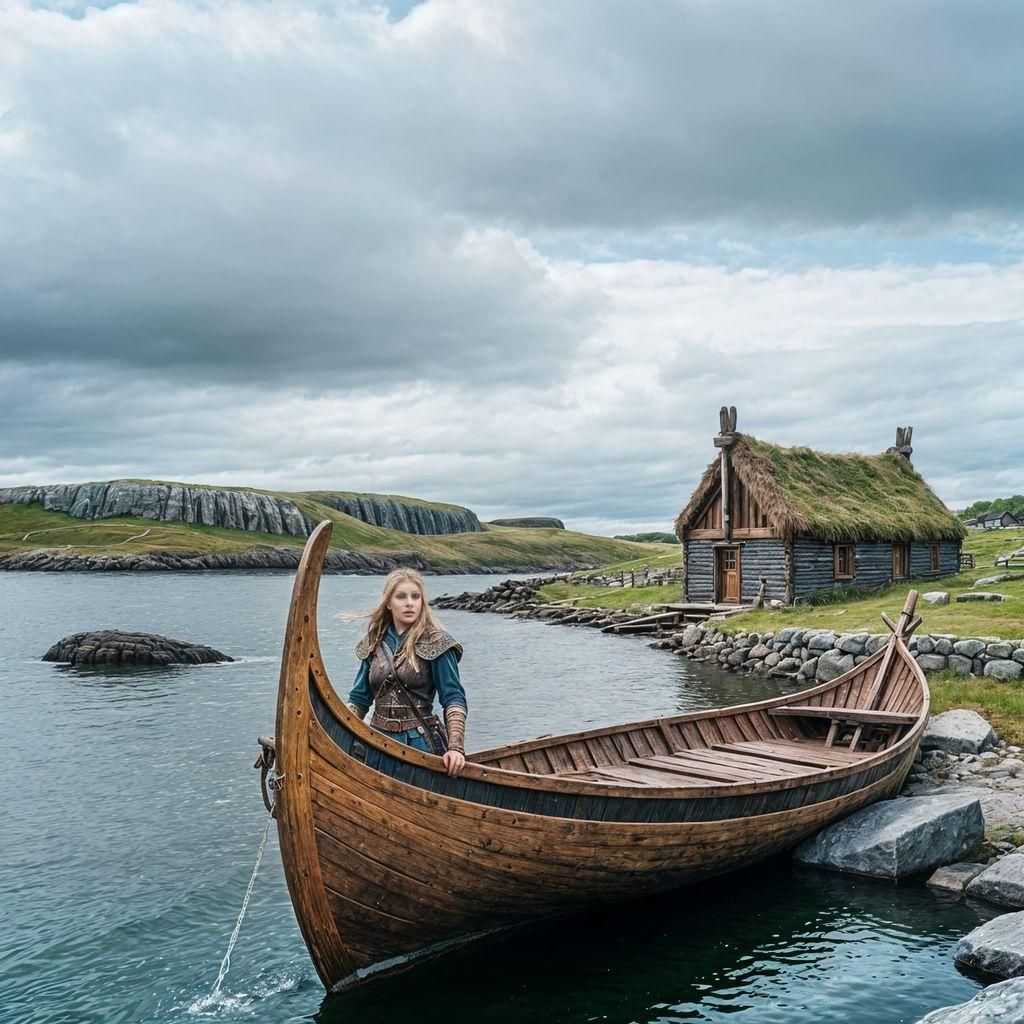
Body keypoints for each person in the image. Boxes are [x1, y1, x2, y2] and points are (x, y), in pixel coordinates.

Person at [347, 569, 467, 777]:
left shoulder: (437, 643)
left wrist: (455, 748)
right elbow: (359, 700)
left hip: (419, 744)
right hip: (377, 743)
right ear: (388, 602)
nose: (409, 603)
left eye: (415, 597)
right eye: (401, 597)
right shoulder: (373, 643)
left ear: (422, 602)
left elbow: (453, 697)